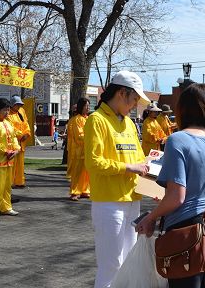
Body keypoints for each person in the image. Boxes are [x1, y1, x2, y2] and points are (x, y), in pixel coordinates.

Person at [136, 83, 205, 288]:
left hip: (190, 229)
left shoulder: (178, 140)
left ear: (182, 109)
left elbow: (176, 197)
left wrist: (151, 217)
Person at [84, 70, 150, 288]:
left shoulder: (130, 124)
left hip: (132, 199)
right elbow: (94, 162)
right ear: (122, 93)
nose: (134, 105)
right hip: (109, 202)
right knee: (111, 263)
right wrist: (127, 167)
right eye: (134, 99)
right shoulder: (97, 120)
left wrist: (153, 181)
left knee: (128, 261)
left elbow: (139, 160)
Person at [68, 97, 91, 201]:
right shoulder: (77, 119)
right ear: (81, 106)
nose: (88, 108)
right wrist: (92, 137)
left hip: (88, 150)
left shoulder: (88, 118)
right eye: (86, 106)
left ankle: (85, 190)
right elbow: (79, 136)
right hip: (79, 150)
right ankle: (75, 191)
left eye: (88, 106)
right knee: (77, 172)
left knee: (87, 172)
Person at [7, 96, 31, 189]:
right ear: (12, 105)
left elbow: (26, 123)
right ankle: (11, 182)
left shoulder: (22, 111)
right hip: (13, 142)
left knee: (20, 163)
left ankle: (20, 181)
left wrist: (27, 133)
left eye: (20, 104)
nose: (19, 106)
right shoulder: (8, 114)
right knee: (12, 162)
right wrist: (21, 135)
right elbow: (11, 127)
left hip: (22, 141)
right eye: (17, 105)